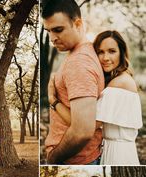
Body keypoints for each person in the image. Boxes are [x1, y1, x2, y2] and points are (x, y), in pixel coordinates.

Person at [42, 0, 105, 165]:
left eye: (58, 30)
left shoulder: (79, 62)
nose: (52, 38)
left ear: (77, 24)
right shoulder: (83, 52)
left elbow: (82, 131)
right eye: (48, 31)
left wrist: (54, 158)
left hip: (75, 160)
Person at [93, 30, 142, 165]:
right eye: (100, 52)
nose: (105, 58)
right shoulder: (120, 79)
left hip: (118, 153)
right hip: (114, 147)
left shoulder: (120, 83)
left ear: (121, 53)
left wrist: (54, 102)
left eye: (111, 51)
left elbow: (90, 126)